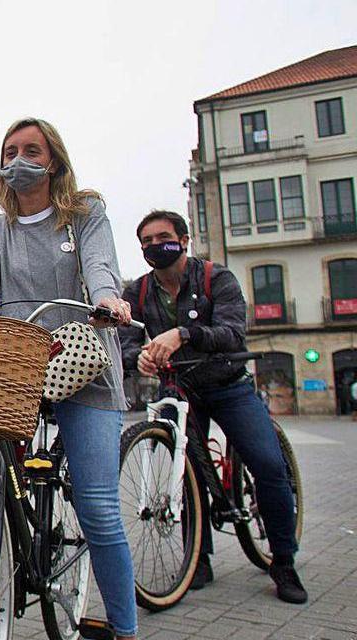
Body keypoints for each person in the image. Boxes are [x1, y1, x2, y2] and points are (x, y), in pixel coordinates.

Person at [0, 118, 150, 640]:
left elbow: (102, 269)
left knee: (99, 508)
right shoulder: (0, 230)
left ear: (52, 160)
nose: (19, 158)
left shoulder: (85, 214)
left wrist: (110, 301)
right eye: (10, 151)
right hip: (22, 365)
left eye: (31, 150)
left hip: (83, 364)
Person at [120, 210, 307, 605]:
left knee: (268, 464)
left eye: (163, 237)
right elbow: (123, 341)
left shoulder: (215, 278)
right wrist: (138, 357)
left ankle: (283, 560)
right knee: (183, 468)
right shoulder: (136, 293)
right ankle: (197, 558)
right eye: (147, 241)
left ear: (184, 240)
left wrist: (183, 333)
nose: (155, 246)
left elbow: (232, 332)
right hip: (179, 387)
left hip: (227, 384)